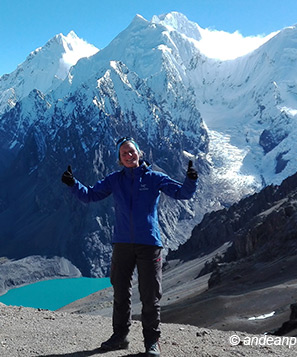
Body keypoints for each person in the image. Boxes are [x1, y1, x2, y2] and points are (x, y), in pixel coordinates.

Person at [61, 137, 198, 356]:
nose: (128, 155)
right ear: (119, 159)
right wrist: (72, 184)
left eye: (131, 151)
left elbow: (182, 193)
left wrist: (191, 180)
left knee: (150, 295)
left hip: (149, 244)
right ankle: (119, 338)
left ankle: (152, 342)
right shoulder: (115, 179)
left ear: (139, 153)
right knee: (120, 292)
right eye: (124, 153)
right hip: (123, 244)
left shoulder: (154, 178)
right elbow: (91, 195)